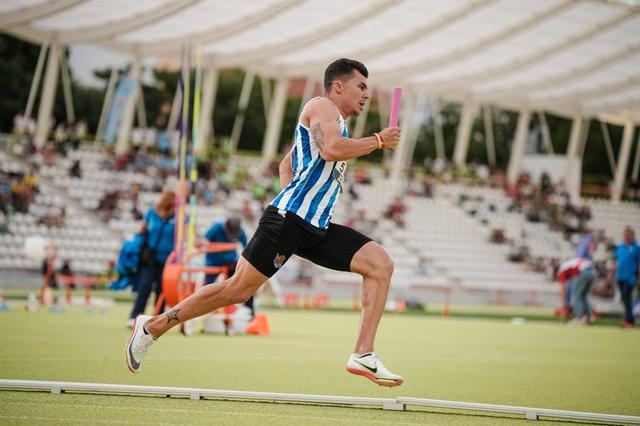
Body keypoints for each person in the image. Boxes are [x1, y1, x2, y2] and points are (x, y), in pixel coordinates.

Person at [126, 58, 404, 387]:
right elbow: (331, 150)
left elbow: (287, 163)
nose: (366, 95)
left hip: (314, 227)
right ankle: (152, 326)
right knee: (236, 291)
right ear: (338, 86)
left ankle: (363, 353)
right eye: (361, 86)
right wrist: (379, 140)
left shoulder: (336, 123)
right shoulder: (322, 106)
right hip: (288, 222)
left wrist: (291, 193)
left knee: (380, 264)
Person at [127, 190, 175, 327]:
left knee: (162, 290)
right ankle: (135, 316)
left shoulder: (180, 216)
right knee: (145, 286)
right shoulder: (152, 213)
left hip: (167, 260)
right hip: (150, 257)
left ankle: (158, 319)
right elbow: (143, 230)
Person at [201, 217, 252, 317]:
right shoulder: (216, 228)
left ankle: (249, 312)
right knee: (207, 287)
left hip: (230, 263)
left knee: (244, 282)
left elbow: (247, 248)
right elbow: (204, 240)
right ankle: (201, 308)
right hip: (213, 262)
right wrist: (207, 245)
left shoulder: (240, 231)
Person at [611, 226, 640, 328]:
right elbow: (615, 262)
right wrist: (612, 275)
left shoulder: (637, 248)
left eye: (629, 234)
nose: (627, 236)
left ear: (633, 236)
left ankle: (629, 321)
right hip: (620, 277)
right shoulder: (619, 248)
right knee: (624, 298)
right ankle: (630, 320)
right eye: (625, 234)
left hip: (631, 277)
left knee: (627, 296)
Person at [557, 257, 595, 325]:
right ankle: (589, 317)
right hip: (593, 271)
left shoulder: (561, 271)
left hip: (584, 272)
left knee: (577, 295)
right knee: (583, 295)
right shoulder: (568, 265)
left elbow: (563, 290)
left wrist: (564, 306)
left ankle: (579, 318)